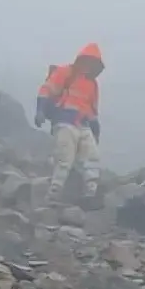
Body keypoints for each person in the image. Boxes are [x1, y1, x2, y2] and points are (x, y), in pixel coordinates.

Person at [34, 43, 104, 207]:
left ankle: (90, 194)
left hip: (83, 125)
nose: (89, 65)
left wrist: (96, 131)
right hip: (64, 122)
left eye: (93, 63)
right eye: (88, 61)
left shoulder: (92, 85)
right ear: (82, 60)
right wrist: (40, 111)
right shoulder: (66, 72)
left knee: (92, 158)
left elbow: (92, 111)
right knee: (64, 159)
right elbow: (47, 90)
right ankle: (53, 195)